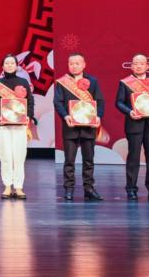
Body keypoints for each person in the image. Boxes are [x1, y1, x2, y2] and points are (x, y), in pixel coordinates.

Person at [114, 53, 149, 201]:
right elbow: (119, 102)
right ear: (131, 66)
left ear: (147, 66)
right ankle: (131, 189)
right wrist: (129, 112)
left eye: (141, 63)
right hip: (134, 124)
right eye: (135, 63)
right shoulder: (125, 83)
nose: (138, 66)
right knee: (133, 157)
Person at [54, 53, 105, 201]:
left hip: (88, 127)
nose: (74, 66)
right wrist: (65, 116)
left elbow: (100, 101)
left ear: (84, 65)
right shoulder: (62, 82)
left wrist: (98, 116)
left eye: (77, 63)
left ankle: (89, 189)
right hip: (70, 126)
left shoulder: (92, 81)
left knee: (88, 160)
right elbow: (58, 102)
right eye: (71, 63)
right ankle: (69, 189)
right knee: (69, 160)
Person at [0, 54, 35, 200]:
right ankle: (7, 186)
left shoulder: (23, 82)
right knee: (5, 156)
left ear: (16, 65)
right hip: (3, 126)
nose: (9, 65)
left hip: (19, 126)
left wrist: (28, 116)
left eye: (12, 63)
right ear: (2, 66)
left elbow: (30, 102)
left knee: (19, 156)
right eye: (6, 63)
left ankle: (18, 187)